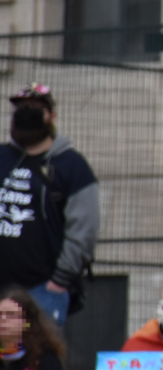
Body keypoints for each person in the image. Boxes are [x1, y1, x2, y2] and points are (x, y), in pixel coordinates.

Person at [0, 83, 99, 327]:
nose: (27, 113)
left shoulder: (72, 166)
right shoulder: (2, 157)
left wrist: (60, 280)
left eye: (35, 108)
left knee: (34, 361)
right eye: (21, 108)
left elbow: (85, 227)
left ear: (52, 116)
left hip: (42, 292)